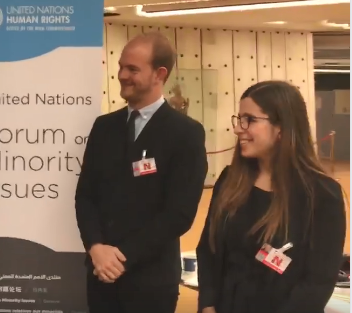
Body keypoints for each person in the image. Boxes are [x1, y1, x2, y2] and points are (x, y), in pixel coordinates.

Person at [75, 32, 207, 313]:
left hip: (151, 281)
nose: (122, 75)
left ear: (159, 74)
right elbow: (85, 196)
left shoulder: (185, 133)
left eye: (133, 69)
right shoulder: (104, 127)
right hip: (100, 275)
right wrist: (96, 248)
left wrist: (121, 257)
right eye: (121, 66)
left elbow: (179, 214)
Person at [196, 81, 346, 313]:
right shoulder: (230, 180)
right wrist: (207, 304)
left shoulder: (322, 195)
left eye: (250, 120)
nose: (238, 129)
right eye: (239, 119)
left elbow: (317, 282)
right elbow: (208, 249)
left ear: (281, 128)